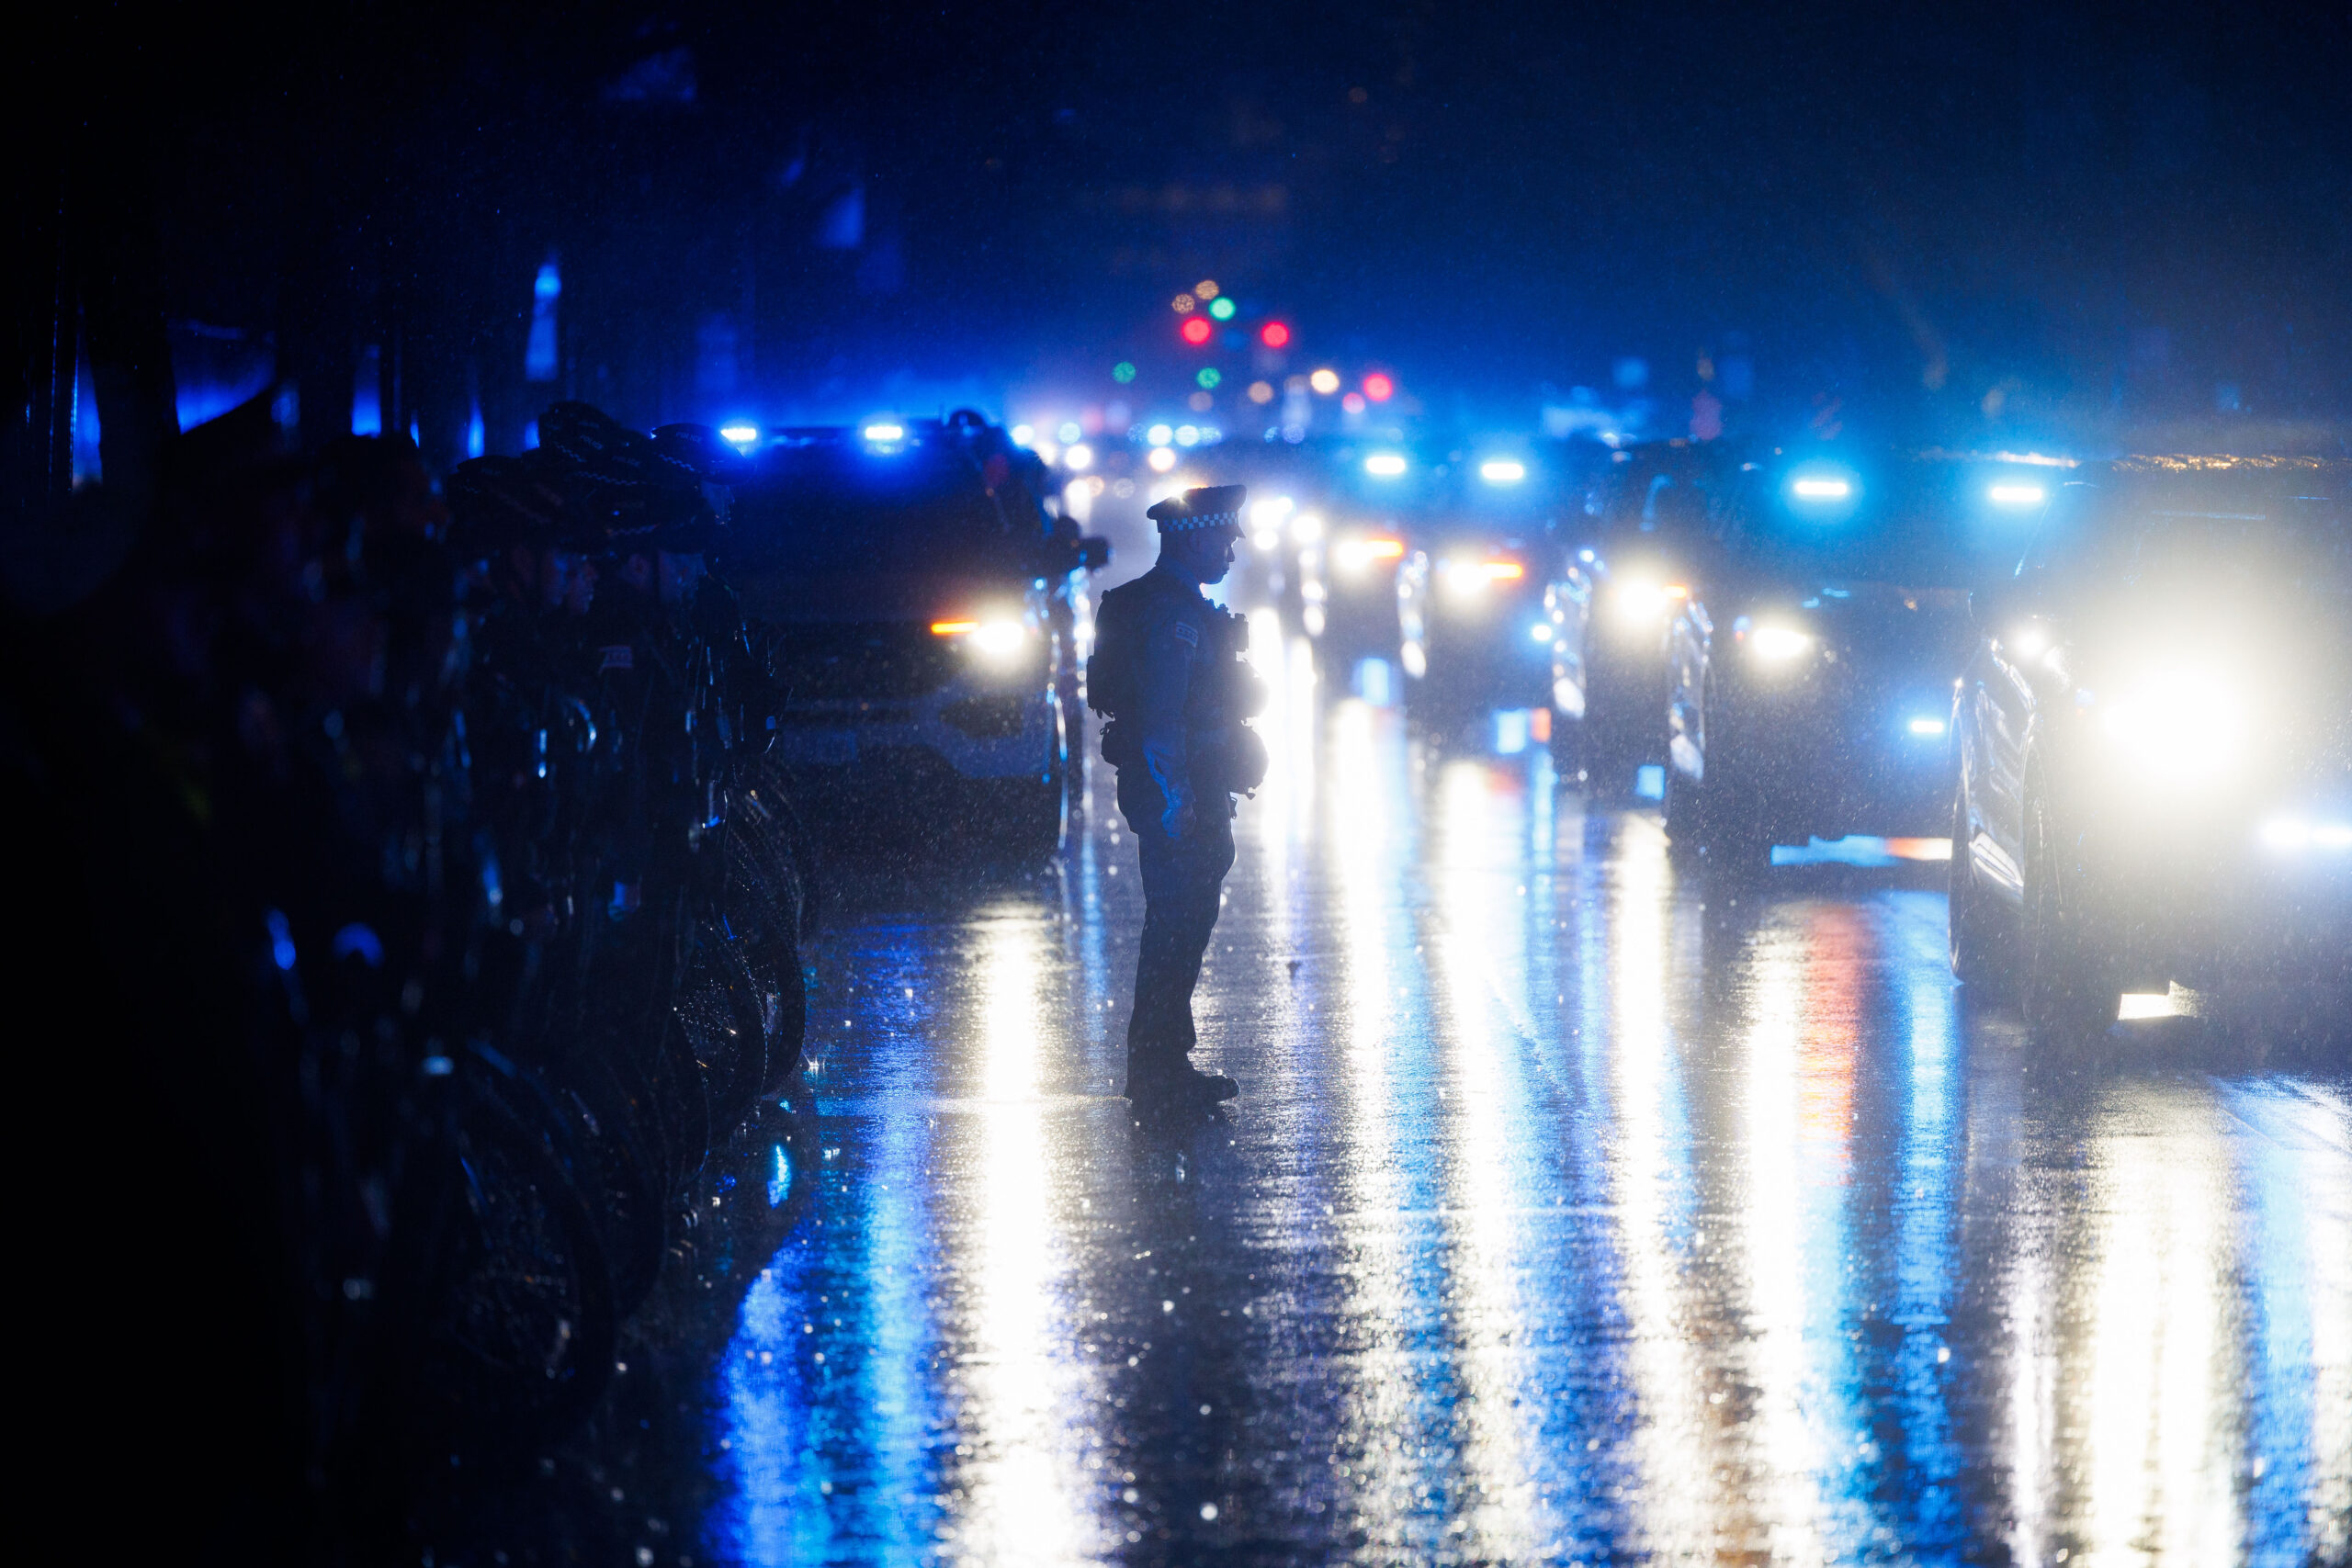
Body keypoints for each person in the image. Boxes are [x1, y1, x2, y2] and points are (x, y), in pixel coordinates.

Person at [1091, 485, 1267, 1110]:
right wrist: (1179, 799)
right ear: (1195, 538)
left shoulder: (1178, 606)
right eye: (1225, 536)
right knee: (1176, 927)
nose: (1233, 546)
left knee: (1181, 926)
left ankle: (1163, 1063)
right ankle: (1158, 1071)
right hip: (1177, 791)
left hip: (1181, 787)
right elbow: (1164, 717)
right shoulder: (1174, 616)